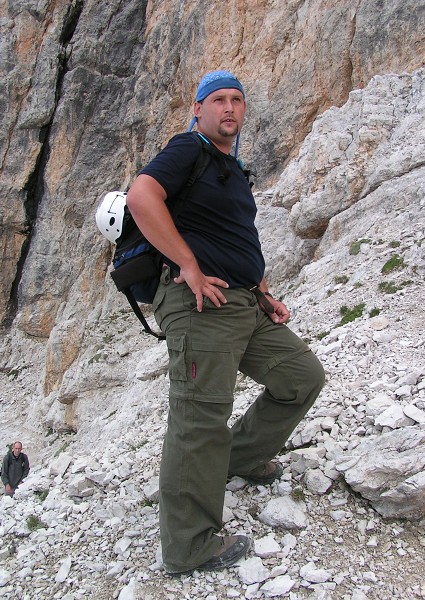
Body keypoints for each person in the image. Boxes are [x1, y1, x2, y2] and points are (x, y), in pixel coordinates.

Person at [126, 70, 325, 575]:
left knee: (301, 378)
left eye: (237, 99)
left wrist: (261, 290)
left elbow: (233, 236)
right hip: (201, 304)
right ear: (199, 109)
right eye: (218, 100)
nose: (229, 108)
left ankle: (239, 458)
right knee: (199, 421)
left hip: (245, 303)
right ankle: (189, 546)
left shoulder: (231, 169)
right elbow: (141, 196)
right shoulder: (187, 150)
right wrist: (189, 266)